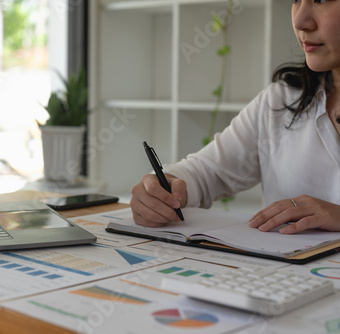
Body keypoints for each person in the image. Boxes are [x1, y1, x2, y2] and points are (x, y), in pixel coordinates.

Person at [130, 0, 340, 234]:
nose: (300, 21)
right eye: (295, 0)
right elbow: (206, 173)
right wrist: (161, 188)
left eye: (321, 0)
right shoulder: (281, 100)